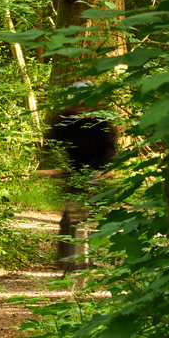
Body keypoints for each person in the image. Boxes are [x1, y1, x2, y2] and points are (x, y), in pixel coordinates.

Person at [46, 81, 118, 271]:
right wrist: (55, 167)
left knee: (92, 218)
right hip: (74, 175)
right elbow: (51, 145)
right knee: (72, 217)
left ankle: (97, 258)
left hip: (96, 176)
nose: (80, 106)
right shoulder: (64, 120)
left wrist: (101, 170)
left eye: (84, 102)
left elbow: (109, 149)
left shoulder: (101, 123)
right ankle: (68, 259)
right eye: (76, 101)